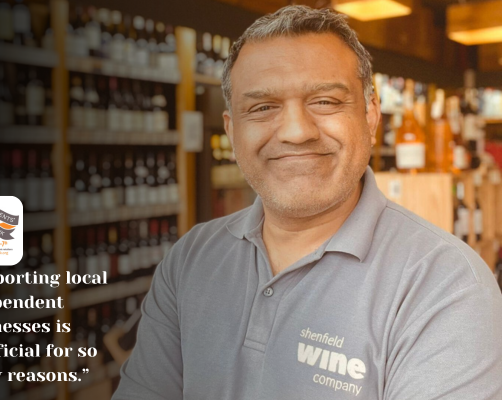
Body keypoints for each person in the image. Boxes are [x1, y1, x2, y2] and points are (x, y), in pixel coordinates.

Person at [112, 6, 502, 399]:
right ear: (232, 131)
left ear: (370, 115)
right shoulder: (191, 259)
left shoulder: (445, 286)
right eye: (263, 107)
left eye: (326, 101)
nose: (297, 132)